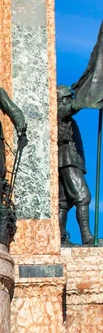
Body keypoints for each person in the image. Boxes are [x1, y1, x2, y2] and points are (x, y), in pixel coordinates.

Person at [57, 84, 94, 245]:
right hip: (68, 160)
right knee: (83, 197)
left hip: (69, 161)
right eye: (67, 98)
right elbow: (73, 106)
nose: (69, 100)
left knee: (63, 202)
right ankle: (87, 237)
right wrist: (91, 89)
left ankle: (60, 237)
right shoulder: (60, 112)